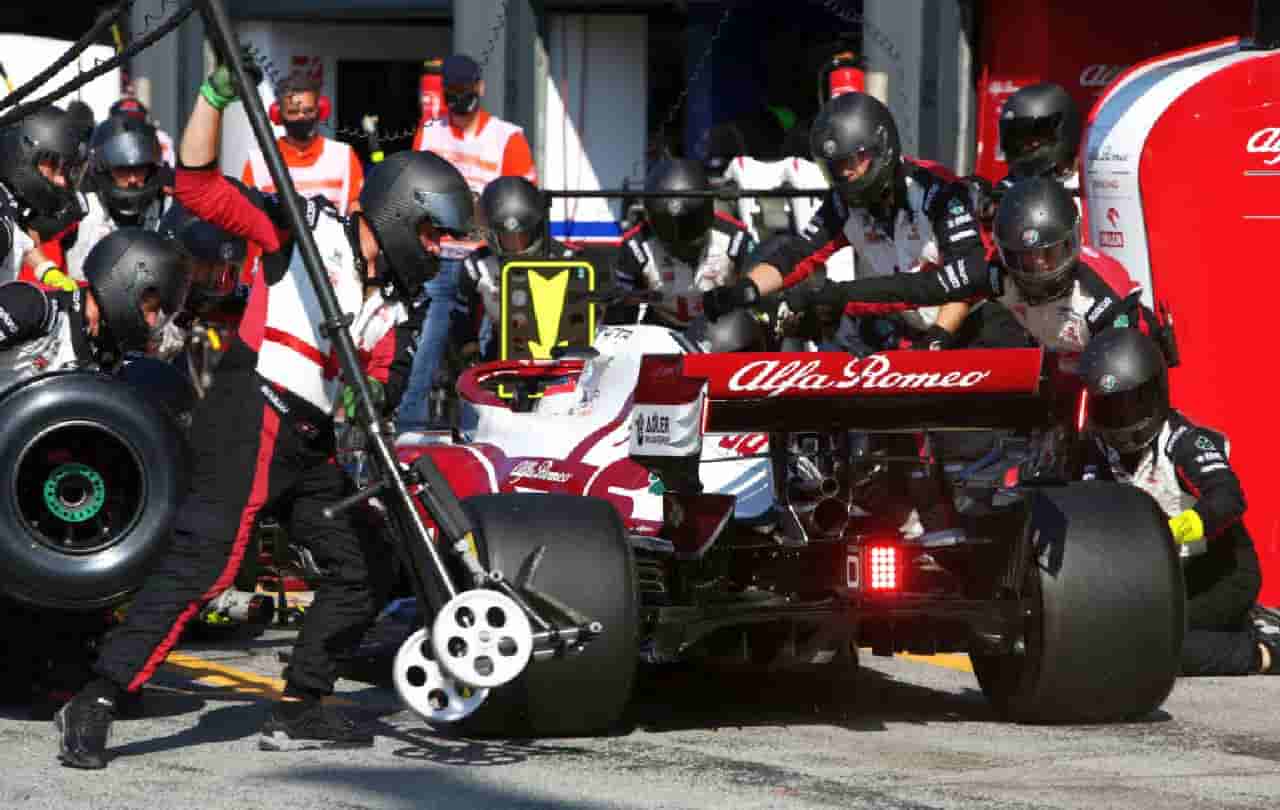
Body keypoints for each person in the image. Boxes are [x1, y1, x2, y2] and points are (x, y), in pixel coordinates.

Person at [54, 55, 464, 769]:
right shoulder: (303, 229)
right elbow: (199, 187)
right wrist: (214, 97)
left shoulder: (400, 304)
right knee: (208, 564)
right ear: (403, 214)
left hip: (311, 443)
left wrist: (370, 396)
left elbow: (381, 384)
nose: (435, 253)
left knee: (364, 561)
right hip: (254, 408)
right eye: (431, 235)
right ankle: (96, 697)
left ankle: (301, 703)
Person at [702, 91, 1020, 352]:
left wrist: (937, 338)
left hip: (979, 327)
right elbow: (798, 255)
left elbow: (965, 276)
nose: (845, 174)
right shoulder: (843, 203)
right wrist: (744, 290)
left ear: (881, 147)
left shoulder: (936, 191)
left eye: (852, 162)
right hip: (917, 335)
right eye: (835, 167)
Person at [771, 176, 1159, 361]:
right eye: (1025, 258)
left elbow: (1136, 367)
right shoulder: (992, 271)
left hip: (1120, 386)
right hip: (1060, 372)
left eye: (1050, 254)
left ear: (1071, 243)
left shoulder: (1102, 297)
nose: (1039, 268)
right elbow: (917, 289)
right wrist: (836, 294)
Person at [1077, 328, 1279, 676]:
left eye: (1129, 404)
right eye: (1109, 407)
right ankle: (1238, 626)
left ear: (1155, 393)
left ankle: (1264, 649)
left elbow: (1229, 499)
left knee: (1152, 648)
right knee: (1090, 639)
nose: (1120, 418)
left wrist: (1168, 533)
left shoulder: (1186, 441)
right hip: (1155, 578)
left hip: (1219, 573)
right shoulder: (1091, 448)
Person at [613, 158, 755, 337]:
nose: (683, 250)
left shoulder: (735, 238)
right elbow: (620, 314)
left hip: (723, 333)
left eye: (693, 244)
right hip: (661, 333)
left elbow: (756, 293)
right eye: (672, 246)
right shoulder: (636, 247)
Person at [453, 175, 579, 363]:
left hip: (558, 356)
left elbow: (585, 320)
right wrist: (471, 354)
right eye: (507, 237)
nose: (517, 246)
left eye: (523, 235)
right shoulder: (477, 265)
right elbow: (460, 315)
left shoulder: (567, 261)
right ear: (493, 234)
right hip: (502, 351)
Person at [61, 117, 171, 281]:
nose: (132, 179)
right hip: (89, 301)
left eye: (140, 168)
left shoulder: (167, 208)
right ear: (104, 168)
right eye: (123, 169)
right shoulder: (78, 210)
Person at [410, 53, 537, 193]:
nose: (459, 94)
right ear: (444, 90)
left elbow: (522, 198)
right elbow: (414, 188)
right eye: (453, 88)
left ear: (480, 87)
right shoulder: (429, 133)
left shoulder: (507, 139)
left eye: (465, 88)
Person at [241, 72, 364, 215]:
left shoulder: (343, 155)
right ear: (277, 115)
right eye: (293, 112)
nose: (301, 117)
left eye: (308, 111)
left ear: (321, 110)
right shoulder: (259, 162)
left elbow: (355, 207)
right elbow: (247, 212)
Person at [0, 105, 87, 288]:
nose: (62, 181)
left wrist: (47, 271)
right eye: (54, 166)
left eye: (66, 170)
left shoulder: (11, 203)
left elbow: (21, 242)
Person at [109, 97, 175, 169]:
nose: (131, 124)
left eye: (136, 121)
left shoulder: (158, 138)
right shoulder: (106, 137)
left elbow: (166, 168)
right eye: (124, 121)